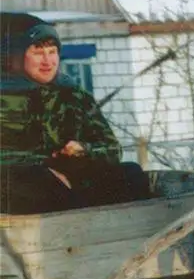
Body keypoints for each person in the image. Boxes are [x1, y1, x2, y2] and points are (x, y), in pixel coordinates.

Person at [0, 12, 149, 214]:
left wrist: (83, 150)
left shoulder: (74, 96)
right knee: (39, 181)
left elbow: (112, 149)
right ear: (15, 57)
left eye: (52, 52)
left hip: (75, 183)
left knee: (131, 173)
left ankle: (126, 234)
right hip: (23, 192)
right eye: (37, 52)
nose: (48, 61)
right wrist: (46, 166)